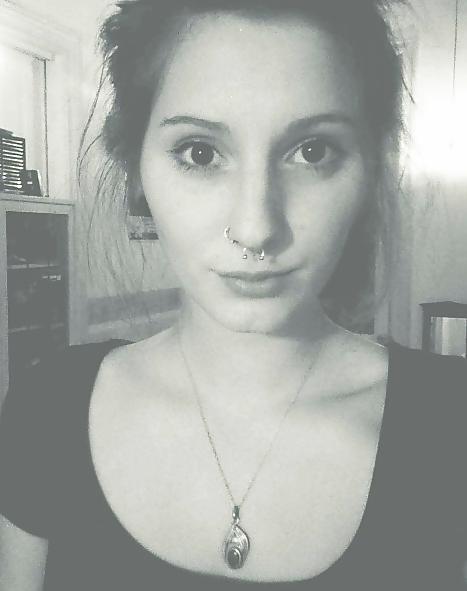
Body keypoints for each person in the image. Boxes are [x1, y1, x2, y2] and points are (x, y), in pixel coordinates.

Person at [0, 0, 466, 589]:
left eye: (313, 151)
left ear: (370, 170)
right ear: (137, 171)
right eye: (200, 153)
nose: (255, 228)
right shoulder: (47, 410)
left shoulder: (453, 425)